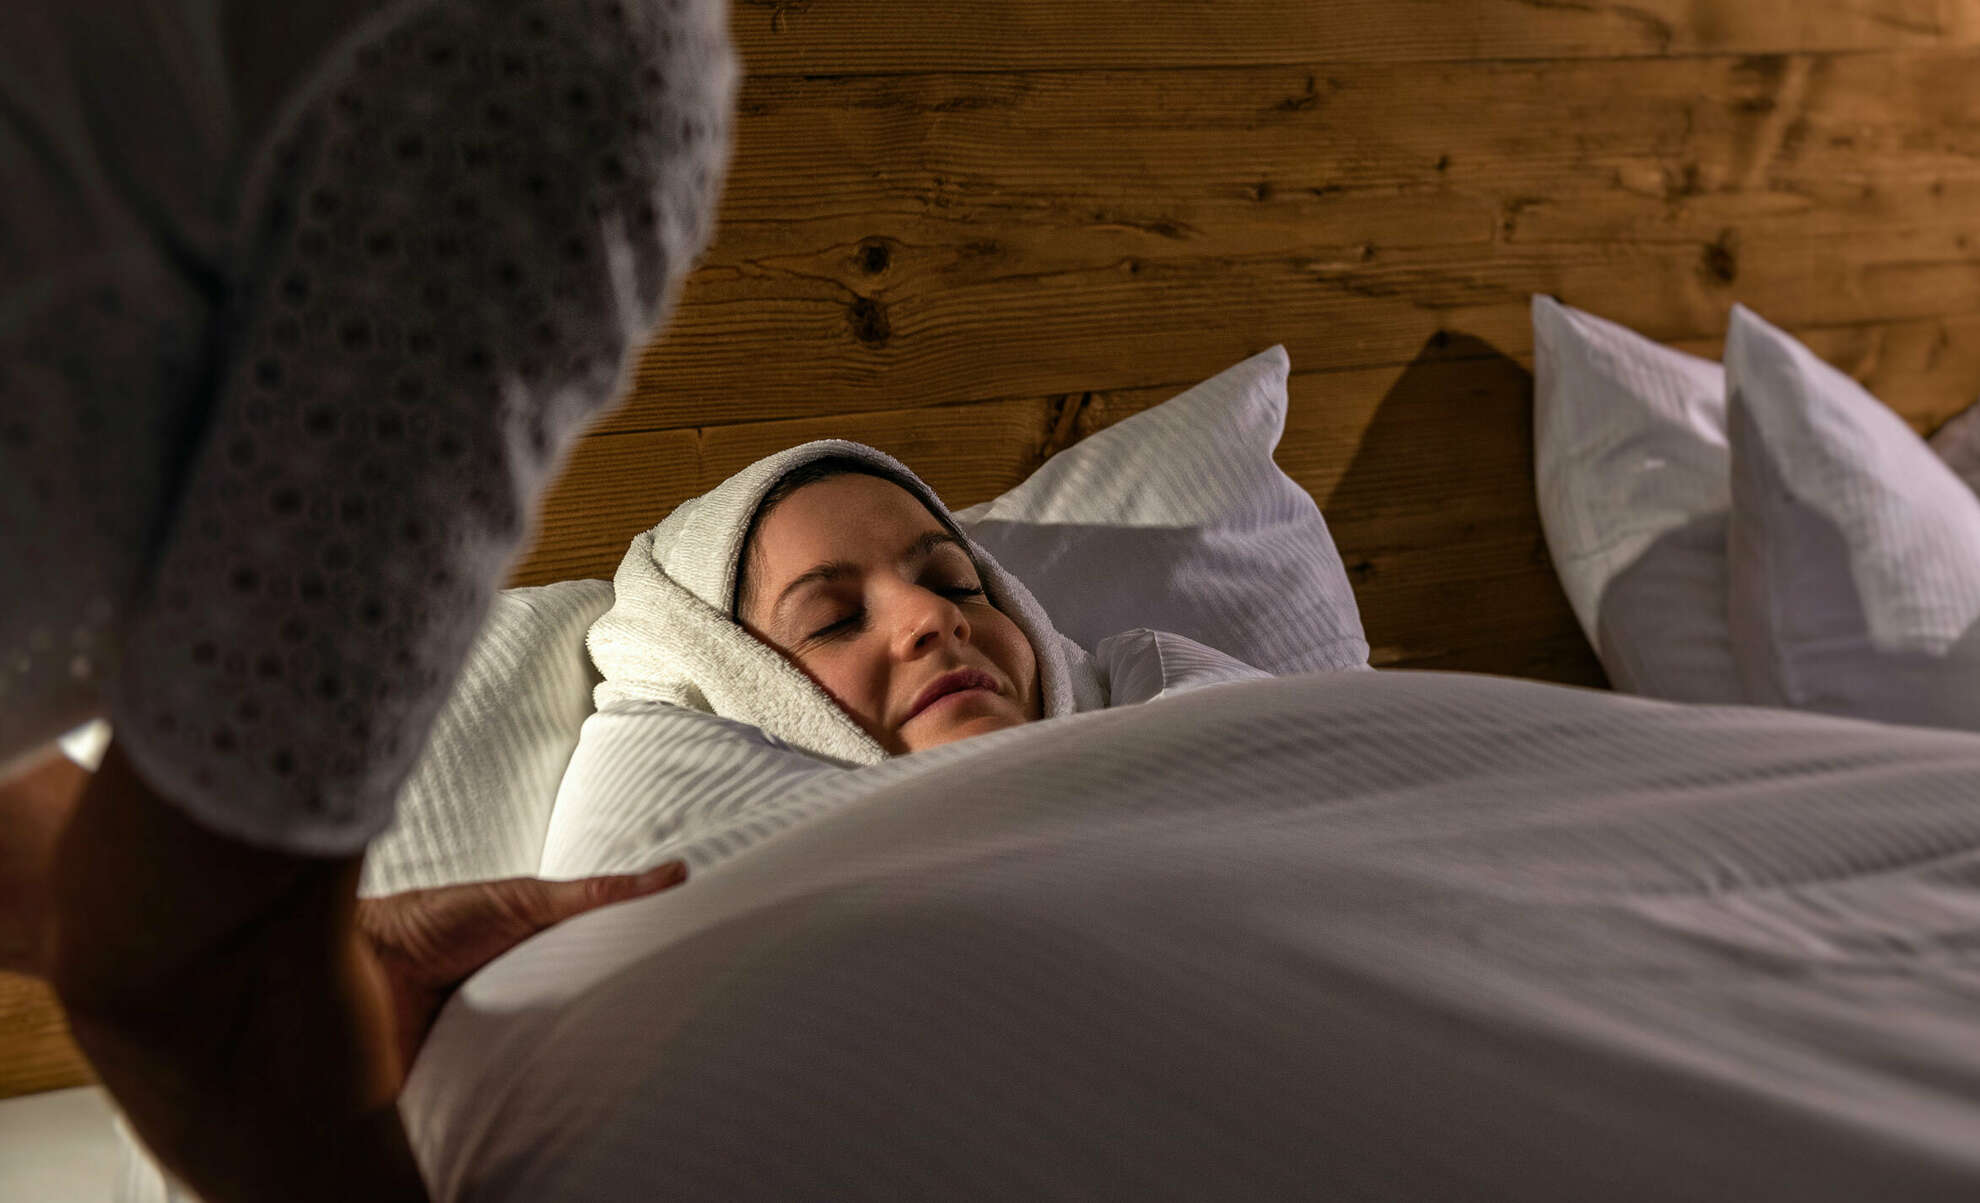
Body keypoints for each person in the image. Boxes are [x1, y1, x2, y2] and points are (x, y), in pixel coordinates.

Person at [0, 0, 739, 1198]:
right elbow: (199, 972)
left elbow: (195, 954)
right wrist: (239, 945)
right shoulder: (566, 48)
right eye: (828, 610)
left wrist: (297, 945)